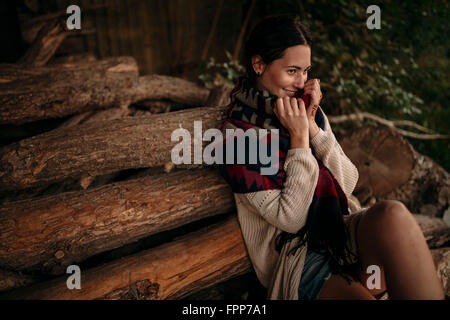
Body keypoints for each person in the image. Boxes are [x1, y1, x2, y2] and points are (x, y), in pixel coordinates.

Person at [219, 14, 445, 300]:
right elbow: (292, 219)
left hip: (340, 236)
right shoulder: (238, 137)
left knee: (393, 214)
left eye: (306, 70)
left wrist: (313, 128)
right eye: (292, 71)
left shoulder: (303, 110)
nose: (302, 82)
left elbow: (348, 181)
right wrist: (299, 142)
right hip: (301, 261)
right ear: (259, 64)